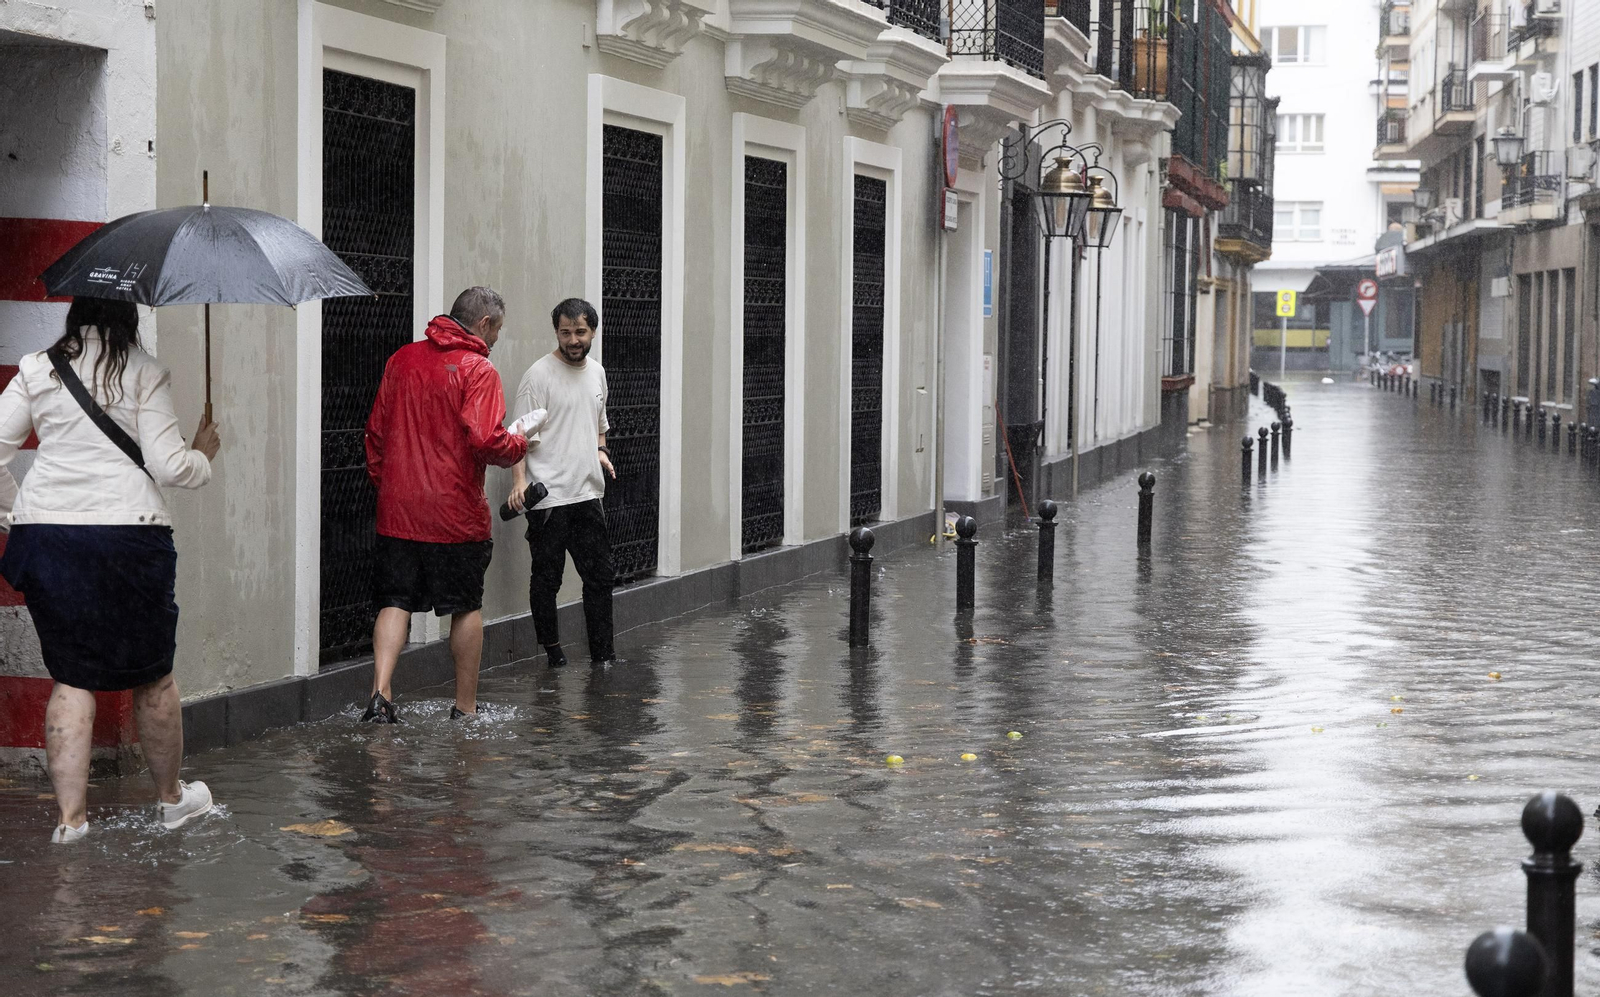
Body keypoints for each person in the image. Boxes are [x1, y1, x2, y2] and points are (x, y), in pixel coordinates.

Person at [0, 296, 220, 843]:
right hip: (131, 535)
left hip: (48, 536)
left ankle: (70, 822)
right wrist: (203, 455)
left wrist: (17, 513)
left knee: (72, 678)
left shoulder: (36, 368)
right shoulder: (146, 372)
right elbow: (170, 467)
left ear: (76, 315)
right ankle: (172, 802)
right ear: (130, 317)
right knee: (153, 675)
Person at [362, 286, 527, 723]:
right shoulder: (477, 369)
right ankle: (466, 707)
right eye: (498, 333)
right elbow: (486, 439)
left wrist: (390, 486)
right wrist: (520, 444)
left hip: (398, 512)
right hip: (455, 515)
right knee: (466, 606)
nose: (496, 343)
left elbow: (375, 434)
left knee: (395, 601)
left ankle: (381, 695)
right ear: (484, 324)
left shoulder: (401, 359)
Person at [509, 298, 617, 669]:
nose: (573, 340)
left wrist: (600, 452)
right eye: (566, 332)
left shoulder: (597, 373)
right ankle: (553, 654)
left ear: (592, 333)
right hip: (550, 499)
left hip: (588, 493)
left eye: (580, 332)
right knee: (547, 581)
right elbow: (519, 437)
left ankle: (603, 655)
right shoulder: (538, 376)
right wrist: (519, 483)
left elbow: (599, 426)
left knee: (600, 577)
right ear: (556, 332)